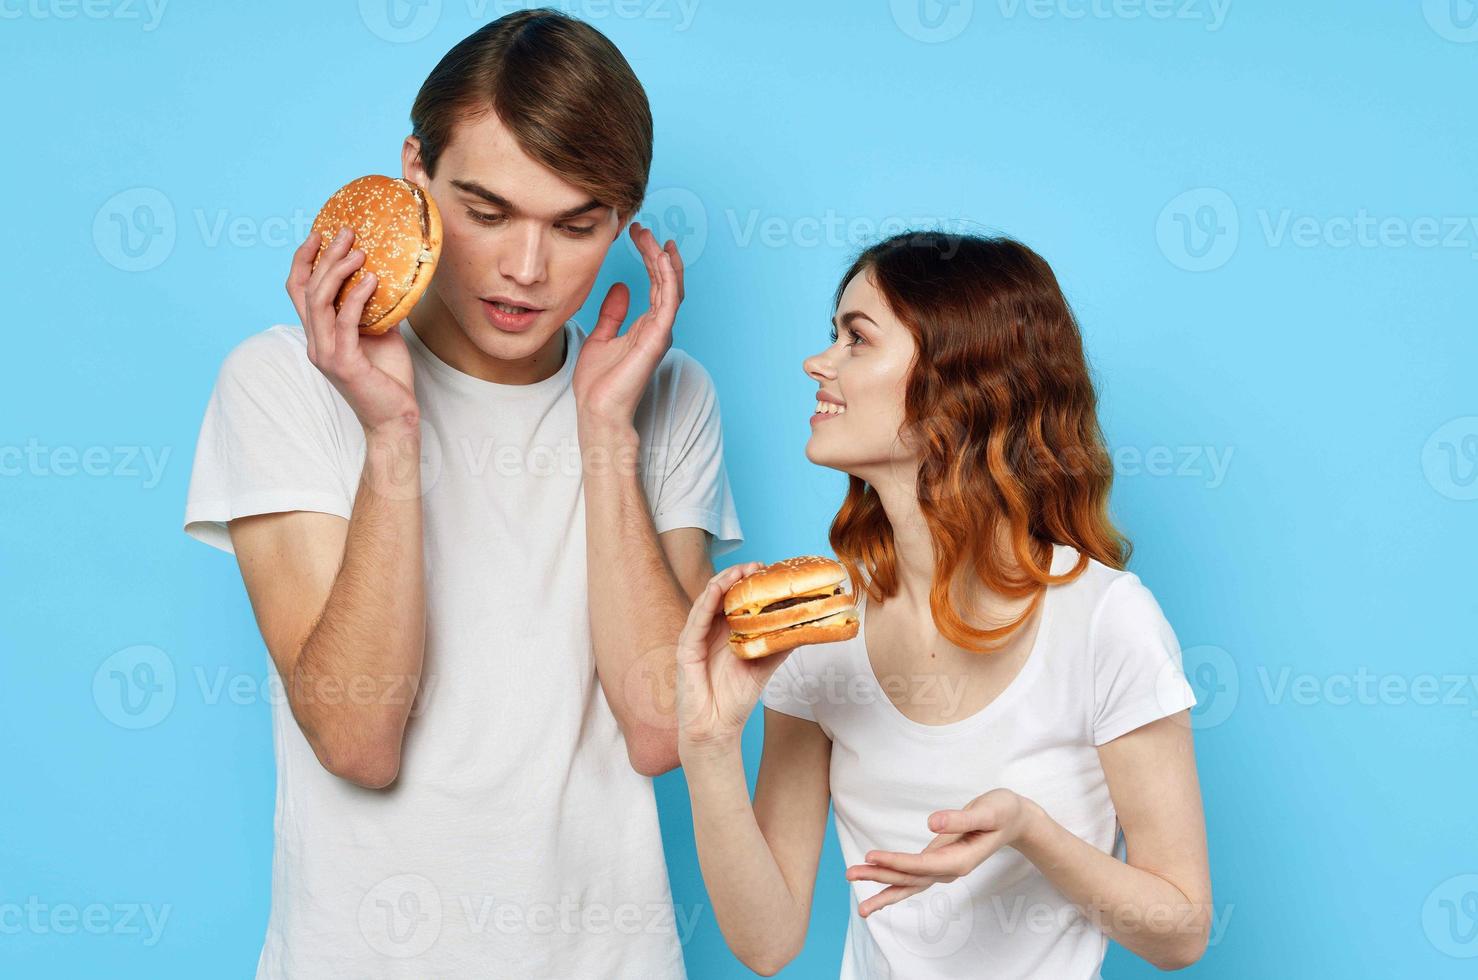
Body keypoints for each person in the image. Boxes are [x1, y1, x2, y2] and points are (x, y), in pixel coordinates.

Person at [181, 10, 741, 977]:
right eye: (488, 213)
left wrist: (606, 434)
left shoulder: (669, 395)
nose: (527, 270)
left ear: (625, 218)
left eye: (577, 225)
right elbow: (359, 740)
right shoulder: (281, 383)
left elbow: (662, 731)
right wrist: (392, 433)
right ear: (416, 176)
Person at [674, 231, 1212, 977]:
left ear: (961, 381)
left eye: (856, 339)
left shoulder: (1105, 620)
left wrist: (1032, 831)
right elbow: (767, 944)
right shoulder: (820, 626)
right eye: (831, 333)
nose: (818, 363)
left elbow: (1181, 930)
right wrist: (706, 747)